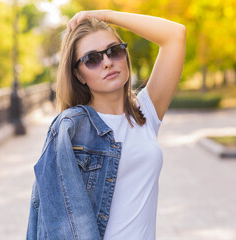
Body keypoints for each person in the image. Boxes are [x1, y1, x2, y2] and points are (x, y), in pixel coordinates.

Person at [26, 10, 186, 240]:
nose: (108, 62)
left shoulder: (145, 113)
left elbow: (175, 35)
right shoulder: (70, 129)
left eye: (114, 51)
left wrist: (104, 16)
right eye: (92, 59)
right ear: (79, 75)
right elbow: (58, 223)